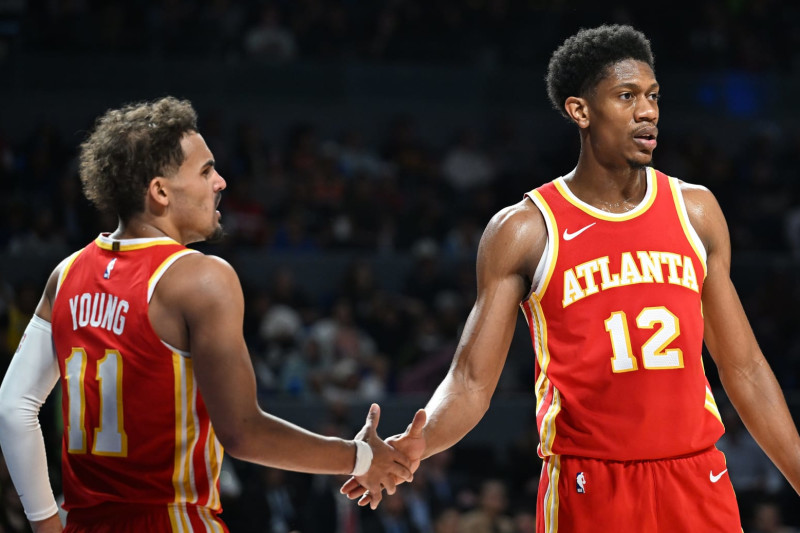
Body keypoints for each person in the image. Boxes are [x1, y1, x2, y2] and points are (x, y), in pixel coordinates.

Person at [342, 24, 800, 532]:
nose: (647, 111)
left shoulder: (696, 210)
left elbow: (746, 369)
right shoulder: (525, 229)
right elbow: (471, 382)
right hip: (590, 485)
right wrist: (420, 440)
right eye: (626, 97)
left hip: (696, 474)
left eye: (652, 96)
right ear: (580, 110)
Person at [0, 96, 421, 533]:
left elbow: (14, 407)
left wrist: (45, 524)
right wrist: (359, 457)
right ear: (160, 191)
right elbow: (242, 432)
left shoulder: (64, 275)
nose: (220, 182)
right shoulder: (200, 278)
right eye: (205, 171)